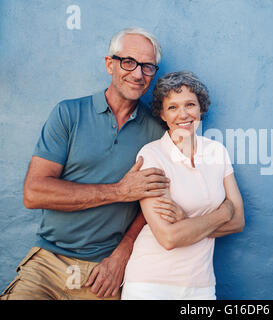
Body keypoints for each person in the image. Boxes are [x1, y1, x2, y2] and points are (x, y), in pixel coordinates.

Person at [0, 27, 233, 300]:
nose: (137, 74)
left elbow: (160, 201)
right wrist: (120, 191)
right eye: (129, 62)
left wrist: (123, 253)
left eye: (147, 67)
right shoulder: (69, 113)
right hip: (48, 261)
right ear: (110, 64)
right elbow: (35, 193)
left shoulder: (159, 133)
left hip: (106, 270)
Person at [121, 71, 245, 300]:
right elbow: (169, 238)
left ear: (201, 109)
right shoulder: (152, 155)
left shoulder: (217, 152)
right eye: (173, 107)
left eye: (190, 104)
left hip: (200, 285)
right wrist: (224, 212)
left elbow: (238, 222)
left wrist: (186, 222)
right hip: (150, 284)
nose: (183, 114)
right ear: (162, 114)